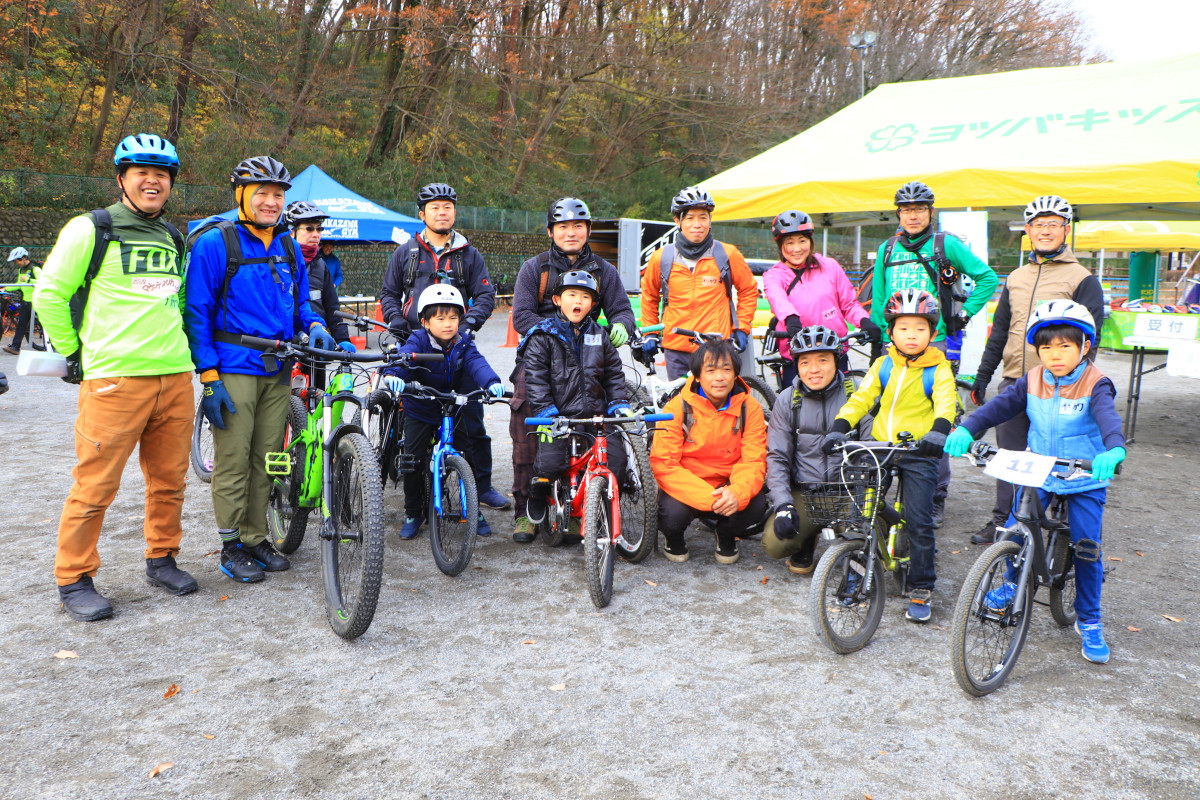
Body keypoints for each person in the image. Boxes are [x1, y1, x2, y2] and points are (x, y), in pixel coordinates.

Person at [33, 133, 197, 620]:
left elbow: (181, 302)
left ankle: (161, 557)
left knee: (169, 481)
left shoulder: (173, 236)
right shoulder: (91, 228)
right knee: (95, 484)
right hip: (114, 381)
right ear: (122, 178)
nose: (153, 180)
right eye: (142, 172)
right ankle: (73, 577)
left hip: (174, 376)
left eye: (162, 174)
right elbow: (48, 296)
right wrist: (72, 354)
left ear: (170, 184)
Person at [184, 156, 337, 584]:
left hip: (279, 367)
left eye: (278, 195)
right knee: (234, 459)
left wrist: (318, 325)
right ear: (241, 195)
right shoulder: (217, 243)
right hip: (234, 366)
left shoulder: (288, 244)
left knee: (269, 458)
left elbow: (302, 302)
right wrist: (208, 377)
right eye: (262, 194)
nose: (271, 202)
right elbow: (196, 314)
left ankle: (255, 537)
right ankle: (231, 544)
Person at [945, 301, 1125, 663]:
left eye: (1064, 346)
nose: (1054, 355)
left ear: (1084, 346)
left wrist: (1114, 450)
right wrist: (967, 427)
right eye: (1046, 347)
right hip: (1041, 468)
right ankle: (1012, 579)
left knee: (1087, 545)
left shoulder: (1096, 383)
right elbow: (998, 408)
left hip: (1085, 474)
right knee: (1014, 527)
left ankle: (1089, 620)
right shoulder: (1032, 379)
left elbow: (1108, 420)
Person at [966, 195, 1106, 545]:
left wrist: (1080, 384)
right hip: (1016, 382)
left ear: (1066, 230)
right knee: (1008, 460)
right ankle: (1004, 523)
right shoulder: (1016, 277)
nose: (1045, 231)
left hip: (1061, 387)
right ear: (1028, 230)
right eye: (1038, 224)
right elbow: (1000, 332)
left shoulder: (1082, 278)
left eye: (1053, 224)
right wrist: (983, 377)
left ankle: (1067, 526)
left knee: (1059, 458)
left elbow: (1092, 338)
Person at [869, 181, 998, 529]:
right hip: (893, 346)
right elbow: (881, 298)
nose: (913, 215)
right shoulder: (887, 249)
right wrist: (882, 340)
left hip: (935, 344)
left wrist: (964, 313)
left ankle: (934, 494)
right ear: (899, 213)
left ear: (930, 213)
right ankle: (891, 484)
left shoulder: (946, 244)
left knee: (935, 418)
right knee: (893, 412)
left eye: (919, 209)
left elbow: (986, 278)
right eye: (907, 210)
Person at [822, 289, 957, 623]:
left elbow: (946, 401)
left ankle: (922, 586)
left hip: (919, 451)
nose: (912, 335)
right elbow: (862, 398)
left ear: (932, 332)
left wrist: (938, 432)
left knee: (920, 521)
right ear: (892, 332)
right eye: (904, 328)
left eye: (920, 328)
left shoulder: (938, 368)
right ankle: (854, 576)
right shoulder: (883, 364)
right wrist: (840, 426)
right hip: (880, 446)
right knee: (859, 516)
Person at [508, 197, 637, 542]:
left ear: (588, 230)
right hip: (541, 357)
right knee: (527, 433)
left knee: (596, 425)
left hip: (587, 356)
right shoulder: (534, 269)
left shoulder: (604, 271)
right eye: (562, 226)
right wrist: (555, 332)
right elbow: (521, 317)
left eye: (578, 226)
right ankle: (524, 511)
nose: (570, 232)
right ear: (551, 231)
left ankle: (580, 502)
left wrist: (622, 326)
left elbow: (623, 311)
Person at [378, 182, 507, 511]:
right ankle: (405, 485)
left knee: (473, 423)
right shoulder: (406, 253)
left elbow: (485, 296)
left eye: (447, 206)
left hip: (457, 347)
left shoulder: (469, 254)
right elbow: (389, 293)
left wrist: (465, 326)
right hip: (415, 342)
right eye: (434, 207)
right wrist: (396, 322)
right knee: (409, 415)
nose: (442, 211)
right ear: (422, 214)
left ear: (455, 212)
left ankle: (482, 486)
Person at [378, 284, 506, 539]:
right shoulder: (419, 340)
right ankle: (413, 512)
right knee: (412, 462)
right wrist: (393, 375)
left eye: (453, 317)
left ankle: (472, 508)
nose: (448, 324)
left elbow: (476, 363)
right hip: (421, 407)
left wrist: (491, 382)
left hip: (450, 407)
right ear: (425, 322)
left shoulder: (463, 343)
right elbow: (404, 357)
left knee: (467, 454)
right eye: (440, 318)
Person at [521, 270, 632, 528]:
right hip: (558, 414)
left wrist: (619, 404)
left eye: (585, 297)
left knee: (616, 458)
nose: (578, 301)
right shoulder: (542, 335)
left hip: (596, 413)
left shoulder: (600, 335)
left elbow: (614, 374)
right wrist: (547, 411)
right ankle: (538, 491)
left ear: (593, 304)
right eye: (571, 295)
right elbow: (535, 379)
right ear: (558, 300)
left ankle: (603, 505)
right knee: (551, 460)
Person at [762, 326, 871, 574]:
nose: (813, 369)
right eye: (805, 362)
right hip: (806, 492)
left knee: (869, 540)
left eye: (823, 360)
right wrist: (783, 506)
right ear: (796, 366)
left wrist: (864, 495)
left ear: (837, 360)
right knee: (774, 543)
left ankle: (849, 540)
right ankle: (806, 541)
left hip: (849, 492)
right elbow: (777, 457)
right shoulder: (788, 399)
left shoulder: (858, 392)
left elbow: (870, 450)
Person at [650, 339, 768, 564]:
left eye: (726, 370)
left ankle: (725, 535)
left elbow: (754, 460)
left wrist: (736, 493)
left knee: (756, 504)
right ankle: (673, 538)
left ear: (735, 374)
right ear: (697, 375)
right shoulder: (677, 407)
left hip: (728, 484)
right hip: (688, 484)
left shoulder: (748, 407)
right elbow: (664, 464)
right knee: (670, 515)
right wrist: (710, 499)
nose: (719, 378)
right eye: (710, 370)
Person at [640, 187, 758, 380]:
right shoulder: (662, 257)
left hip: (716, 346)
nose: (698, 224)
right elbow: (649, 296)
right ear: (677, 221)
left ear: (710, 220)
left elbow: (749, 290)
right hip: (676, 348)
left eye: (703, 217)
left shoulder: (727, 254)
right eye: (690, 218)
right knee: (681, 404)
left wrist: (742, 327)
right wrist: (651, 333)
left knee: (716, 404)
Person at [762, 210, 880, 387]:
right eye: (790, 243)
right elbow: (777, 299)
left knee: (844, 407)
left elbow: (848, 303)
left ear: (810, 241)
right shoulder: (774, 275)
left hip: (834, 350)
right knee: (796, 409)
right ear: (780, 246)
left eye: (802, 241)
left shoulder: (830, 266)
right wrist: (790, 318)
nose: (796, 249)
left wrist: (863, 320)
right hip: (797, 354)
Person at [284, 200, 354, 389]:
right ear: (292, 231)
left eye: (319, 229)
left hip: (317, 344)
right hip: (288, 345)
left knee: (317, 403)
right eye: (309, 229)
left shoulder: (320, 265)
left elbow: (332, 307)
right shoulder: (279, 262)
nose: (316, 234)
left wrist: (343, 339)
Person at [3, 246, 42, 354]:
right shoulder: (21, 270)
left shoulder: (35, 269)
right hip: (25, 301)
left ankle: (51, 345)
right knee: (21, 324)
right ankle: (15, 347)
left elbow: (43, 282)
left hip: (35, 301)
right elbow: (19, 285)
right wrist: (5, 288)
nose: (17, 263)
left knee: (44, 324)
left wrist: (30, 280)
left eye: (18, 260)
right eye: (16, 261)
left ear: (24, 258)